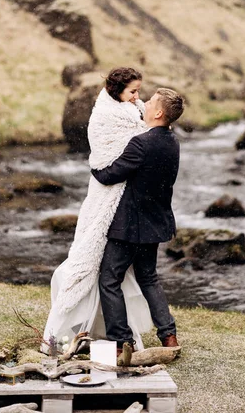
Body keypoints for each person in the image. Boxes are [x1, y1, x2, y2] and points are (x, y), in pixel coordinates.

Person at [43, 68, 153, 350]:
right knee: (90, 260)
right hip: (105, 196)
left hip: (124, 199)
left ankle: (110, 332)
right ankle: (80, 329)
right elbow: (104, 161)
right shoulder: (106, 116)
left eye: (139, 91)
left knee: (111, 270)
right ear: (117, 91)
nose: (137, 97)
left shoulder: (136, 110)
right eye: (132, 91)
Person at [91, 88, 184, 353]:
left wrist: (94, 163)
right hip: (156, 221)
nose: (144, 103)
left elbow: (110, 175)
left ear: (158, 113)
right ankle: (169, 336)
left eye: (151, 101)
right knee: (149, 277)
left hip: (130, 225)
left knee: (109, 279)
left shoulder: (141, 143)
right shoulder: (172, 141)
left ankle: (122, 342)